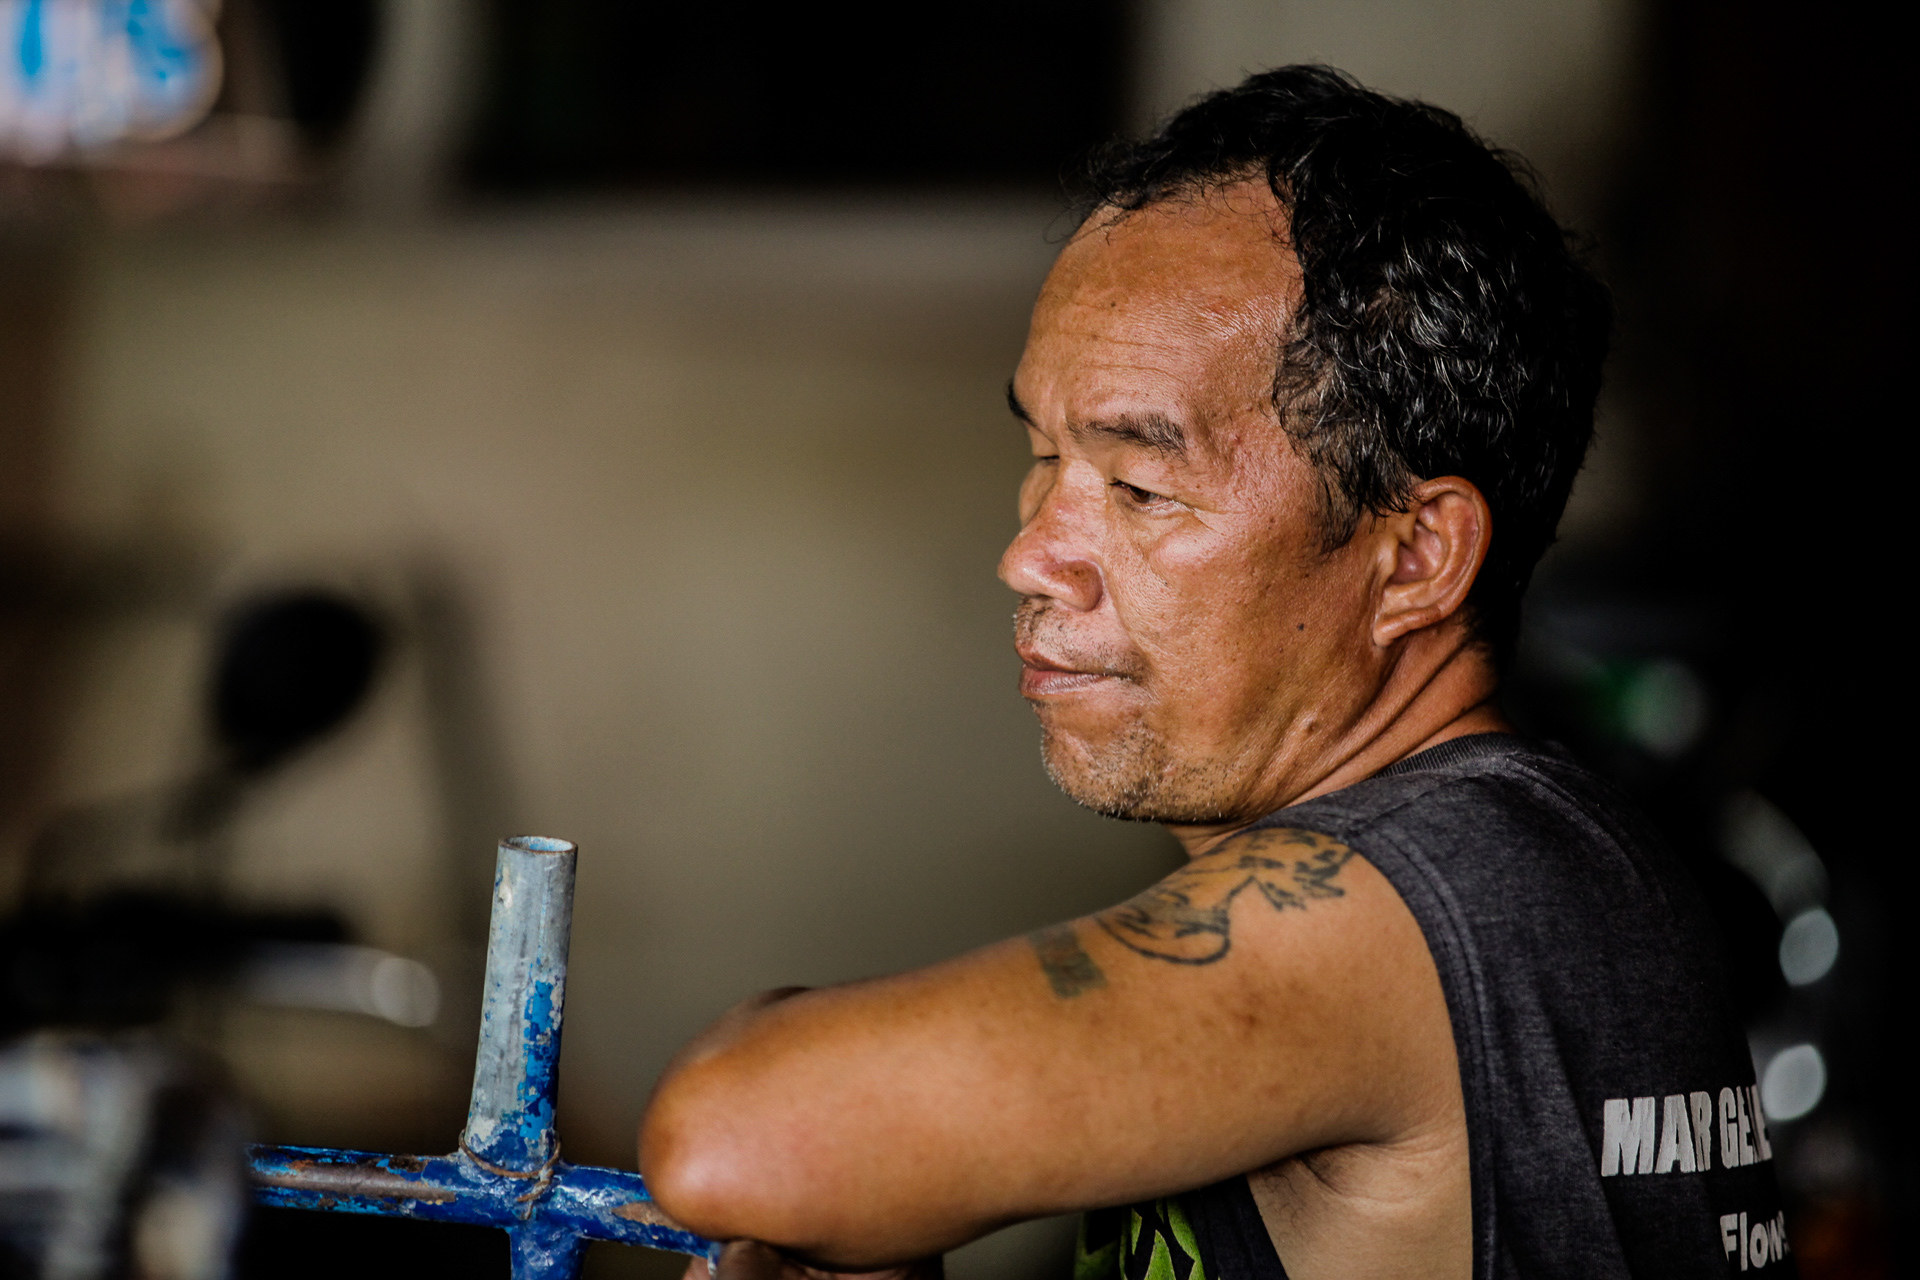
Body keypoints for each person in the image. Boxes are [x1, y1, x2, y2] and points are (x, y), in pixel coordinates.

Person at [639, 66, 1791, 1279]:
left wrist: (798, 1079)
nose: (1030, 553)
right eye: (1041, 453)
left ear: (1416, 558)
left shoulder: (1424, 892)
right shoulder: (1530, 872)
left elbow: (733, 1131)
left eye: (1138, 487)